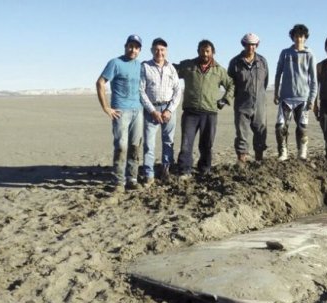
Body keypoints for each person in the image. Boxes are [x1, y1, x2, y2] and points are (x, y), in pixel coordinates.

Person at [174, 40, 234, 177]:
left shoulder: (219, 70)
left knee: (206, 144)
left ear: (212, 52)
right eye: (202, 51)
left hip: (210, 112)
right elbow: (171, 71)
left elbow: (231, 84)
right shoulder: (189, 66)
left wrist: (225, 99)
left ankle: (205, 168)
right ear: (198, 51)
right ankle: (184, 169)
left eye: (207, 51)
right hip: (191, 112)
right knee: (186, 144)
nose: (205, 54)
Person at [96, 34, 144, 191]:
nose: (133, 50)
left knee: (135, 145)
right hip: (120, 111)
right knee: (121, 146)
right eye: (130, 46)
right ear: (125, 47)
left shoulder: (140, 66)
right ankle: (118, 181)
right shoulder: (115, 63)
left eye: (136, 47)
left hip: (138, 110)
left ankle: (132, 178)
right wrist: (106, 107)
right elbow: (100, 82)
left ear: (139, 50)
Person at [140, 38, 182, 185]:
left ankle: (166, 171)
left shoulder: (171, 68)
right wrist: (152, 111)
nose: (160, 52)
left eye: (162, 50)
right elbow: (140, 91)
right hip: (151, 110)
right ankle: (149, 174)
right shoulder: (145, 67)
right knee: (149, 144)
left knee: (168, 142)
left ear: (166, 51)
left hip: (168, 110)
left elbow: (178, 90)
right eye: (157, 49)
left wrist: (169, 110)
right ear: (152, 50)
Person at [273, 24, 317, 161]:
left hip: (303, 98)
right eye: (296, 36)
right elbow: (278, 73)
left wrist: (312, 99)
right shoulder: (285, 53)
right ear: (293, 37)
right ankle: (283, 152)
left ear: (305, 38)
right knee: (280, 126)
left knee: (302, 127)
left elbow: (314, 79)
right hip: (286, 97)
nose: (299, 39)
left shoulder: (309, 55)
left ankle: (302, 152)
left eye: (301, 36)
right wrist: (276, 92)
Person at [227, 33, 269, 163]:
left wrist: (258, 96)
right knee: (242, 134)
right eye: (248, 44)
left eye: (253, 45)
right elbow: (230, 83)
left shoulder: (262, 62)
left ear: (257, 45)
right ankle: (242, 161)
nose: (251, 47)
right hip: (242, 104)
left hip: (259, 104)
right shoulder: (235, 62)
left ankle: (259, 160)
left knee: (260, 131)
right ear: (244, 45)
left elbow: (265, 82)